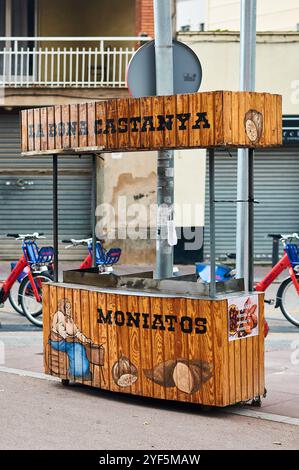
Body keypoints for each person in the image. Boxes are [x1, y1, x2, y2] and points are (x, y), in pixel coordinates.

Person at [49, 298, 92, 380]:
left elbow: (77, 332)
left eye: (70, 308)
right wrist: (72, 339)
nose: (69, 310)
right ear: (62, 307)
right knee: (76, 347)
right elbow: (62, 332)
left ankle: (83, 372)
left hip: (66, 340)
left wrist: (85, 340)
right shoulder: (59, 315)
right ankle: (76, 372)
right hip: (58, 341)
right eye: (67, 308)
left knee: (81, 347)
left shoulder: (69, 319)